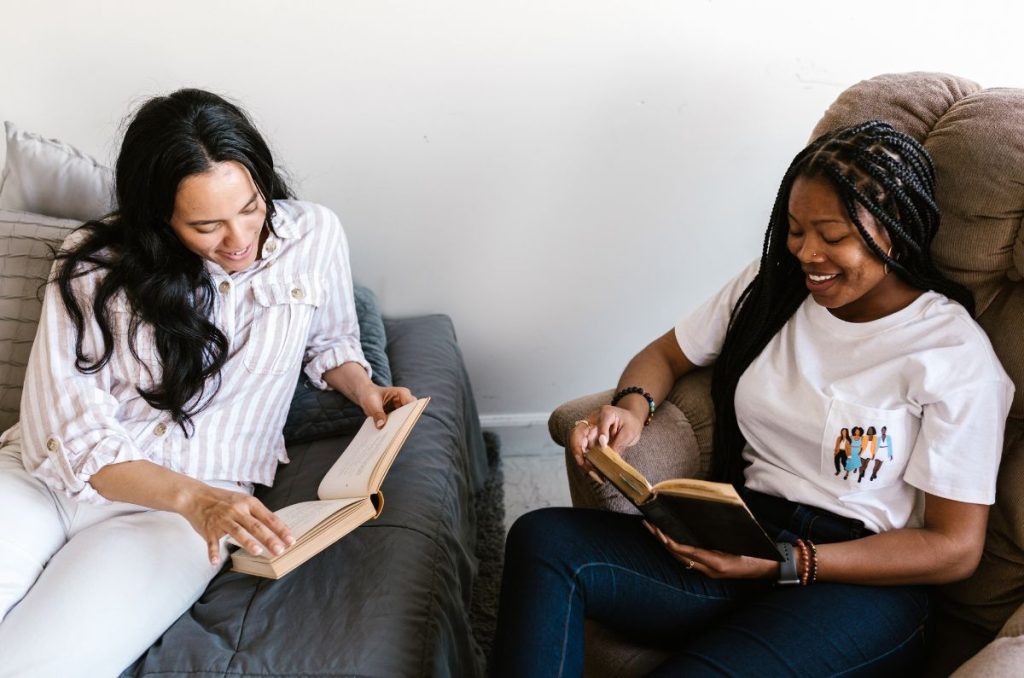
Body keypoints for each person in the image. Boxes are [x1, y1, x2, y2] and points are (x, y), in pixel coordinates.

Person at [491, 121, 1013, 676]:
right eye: (794, 229)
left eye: (832, 235)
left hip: (862, 582)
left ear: (893, 229)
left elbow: (954, 548)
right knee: (544, 540)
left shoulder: (951, 355)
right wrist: (630, 407)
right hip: (741, 531)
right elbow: (666, 356)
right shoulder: (772, 290)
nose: (807, 252)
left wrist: (785, 564)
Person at [0, 89, 414, 676]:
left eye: (250, 206)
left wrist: (363, 389)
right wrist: (196, 499)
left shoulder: (313, 235)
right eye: (206, 225)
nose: (240, 238)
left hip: (175, 521)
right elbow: (67, 428)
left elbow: (330, 340)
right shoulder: (93, 263)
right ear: (159, 218)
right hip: (47, 481)